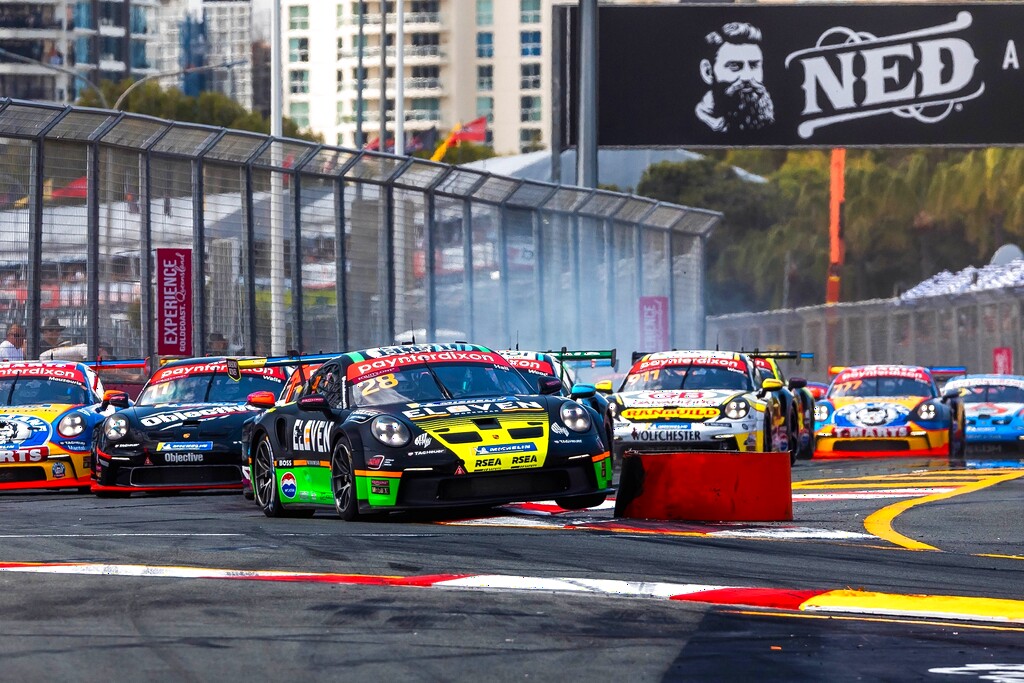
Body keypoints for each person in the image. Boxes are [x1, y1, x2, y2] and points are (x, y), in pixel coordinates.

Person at [695, 22, 775, 134]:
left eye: (754, 65)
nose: (747, 76)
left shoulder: (772, 122)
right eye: (734, 66)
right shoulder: (696, 126)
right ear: (708, 72)